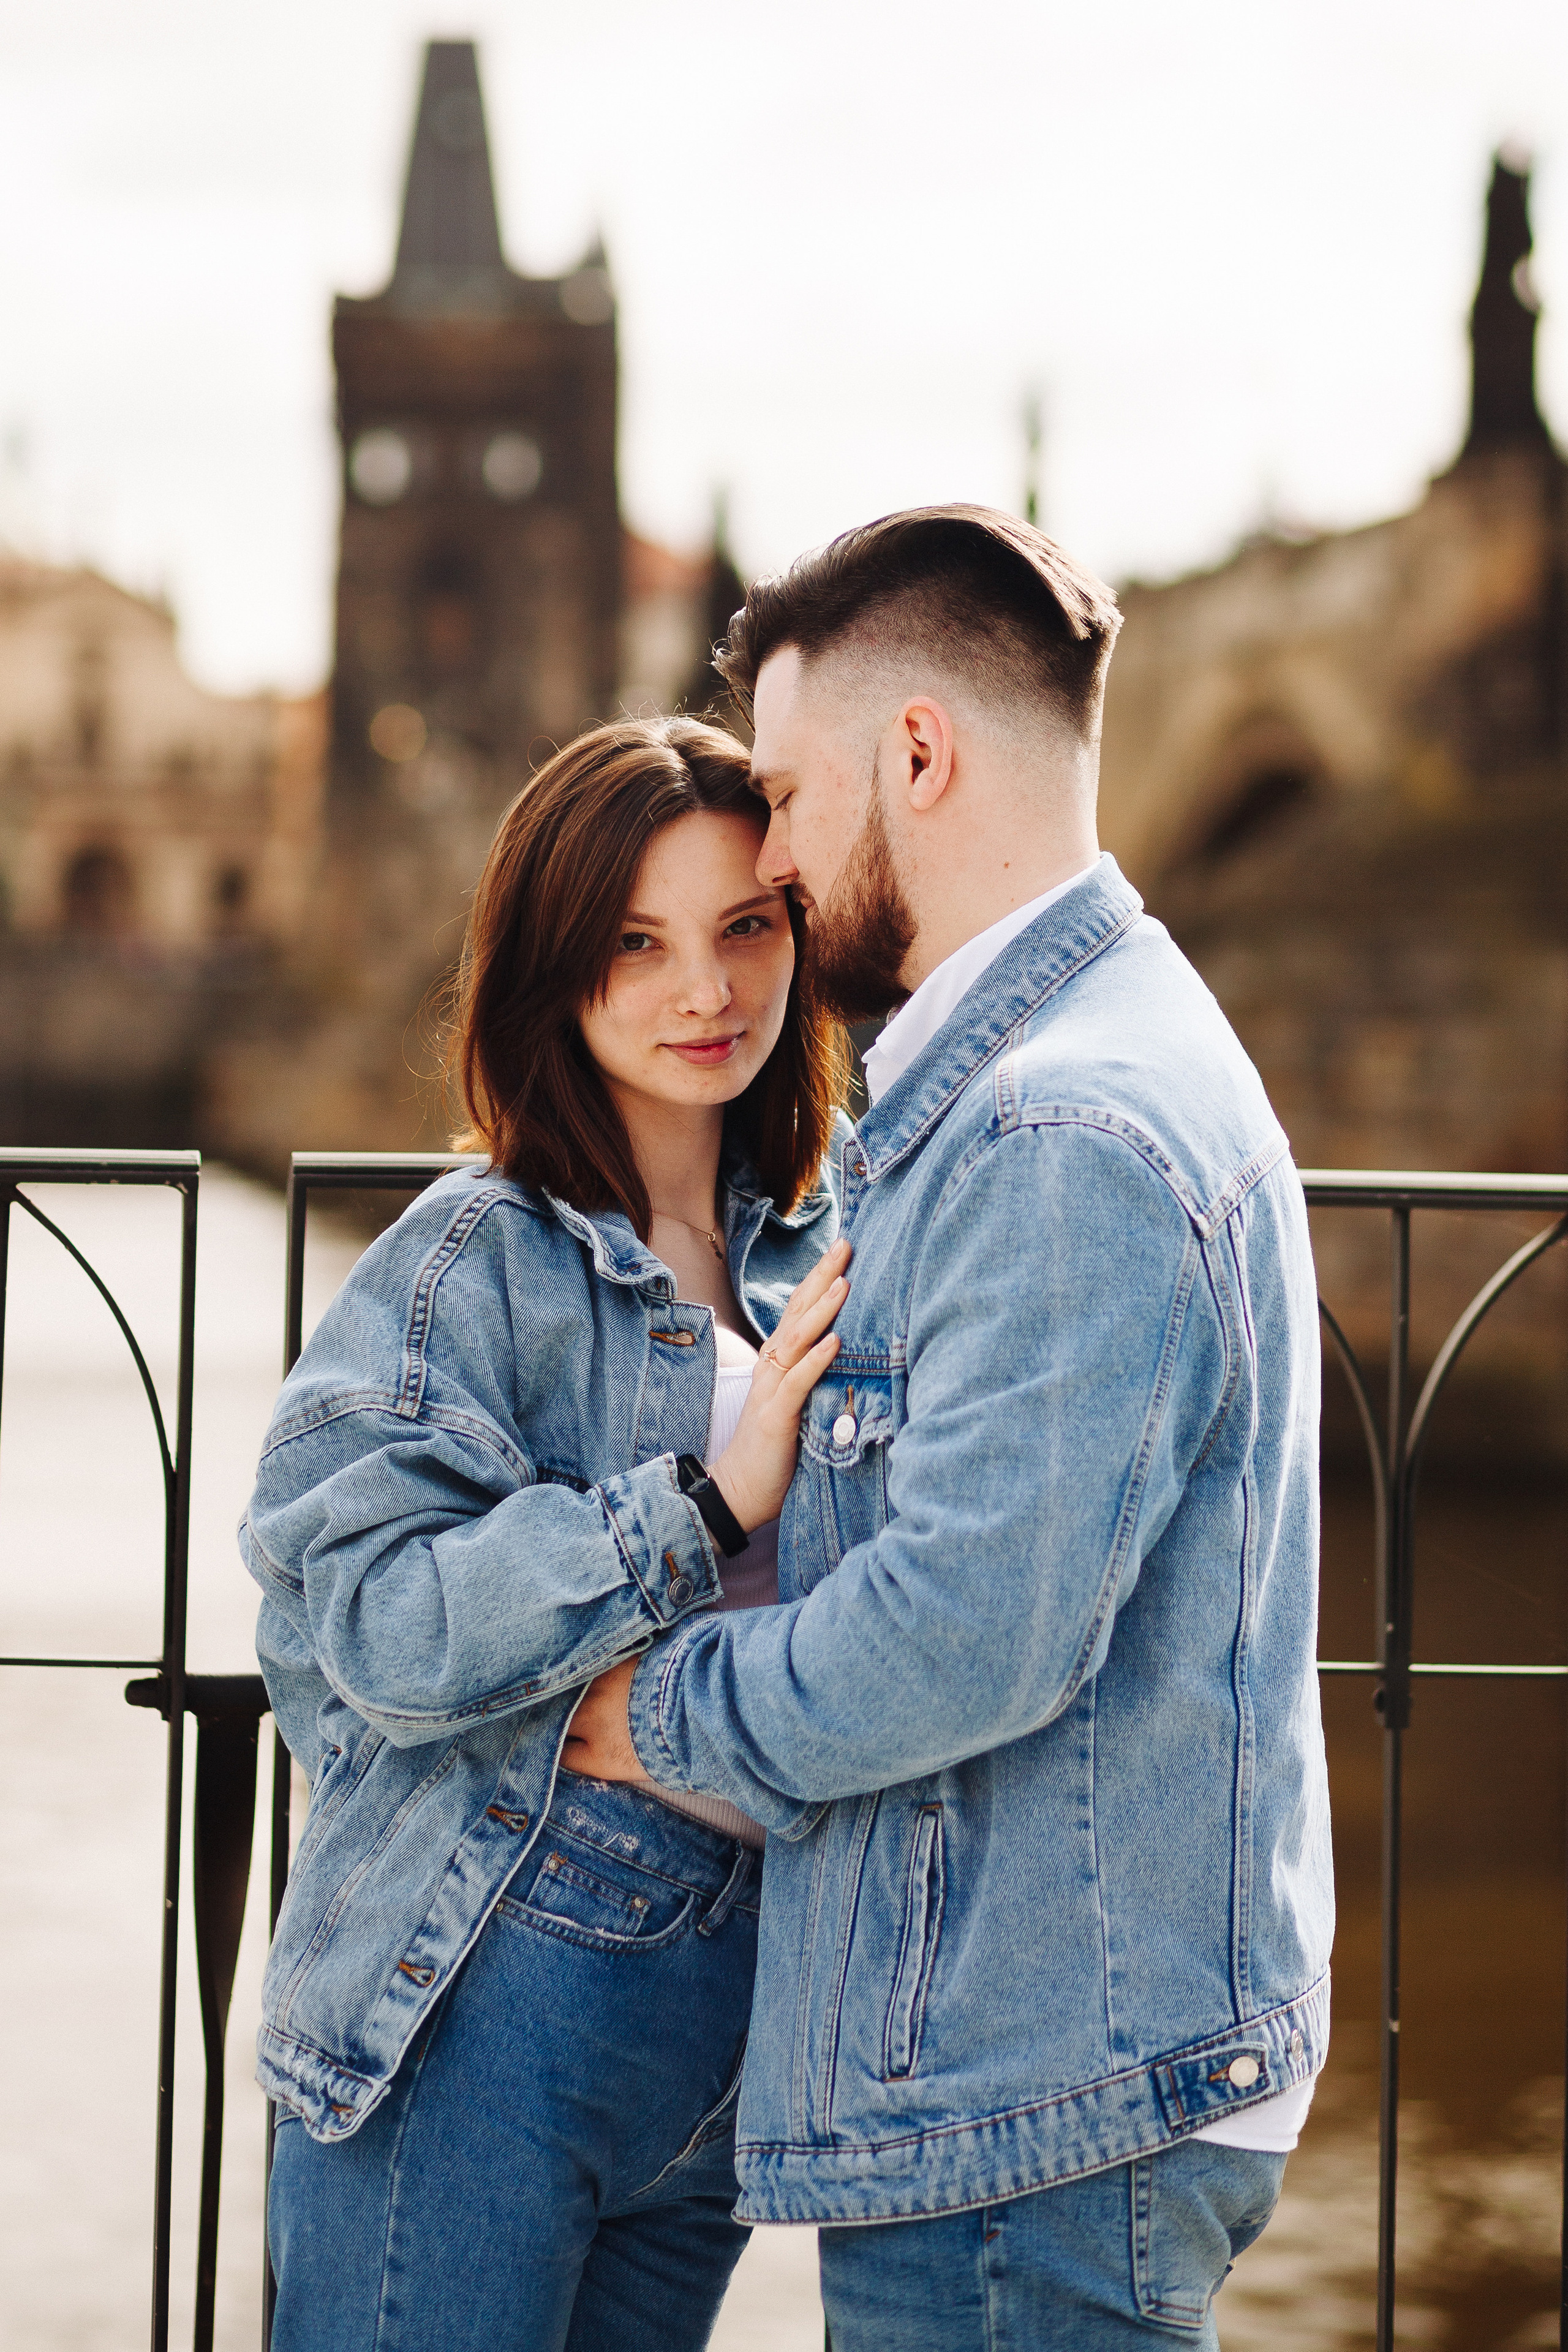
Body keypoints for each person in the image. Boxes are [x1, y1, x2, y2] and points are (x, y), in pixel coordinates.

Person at [565, 507, 1336, 2350]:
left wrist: (635, 1719)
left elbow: (960, 1635)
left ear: (916, 756)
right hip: (1062, 2055)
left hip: (1038, 2086)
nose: (766, 854)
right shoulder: (1070, 1058)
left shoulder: (1059, 1128)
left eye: (787, 792)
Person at [241, 715, 856, 2351]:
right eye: (637, 946)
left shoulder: (830, 1246)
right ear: (553, 972)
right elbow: (367, 1623)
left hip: (732, 2044)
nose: (706, 992)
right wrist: (703, 1504)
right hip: (487, 2009)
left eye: (745, 928)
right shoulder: (474, 1262)